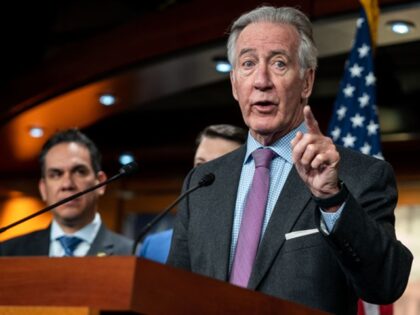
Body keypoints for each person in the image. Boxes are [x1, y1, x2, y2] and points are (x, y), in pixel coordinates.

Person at [167, 6, 413, 315]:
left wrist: (332, 200)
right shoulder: (203, 182)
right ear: (234, 83)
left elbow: (386, 284)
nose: (261, 81)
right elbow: (174, 293)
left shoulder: (360, 175)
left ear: (306, 82)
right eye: (247, 64)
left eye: (279, 63)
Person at [0, 129, 133, 256]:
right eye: (56, 174)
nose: (67, 184)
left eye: (79, 171)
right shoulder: (7, 253)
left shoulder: (132, 254)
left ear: (100, 183)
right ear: (43, 189)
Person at [139, 124, 247, 263]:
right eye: (200, 165)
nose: (206, 175)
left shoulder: (251, 243)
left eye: (220, 165)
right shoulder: (154, 246)